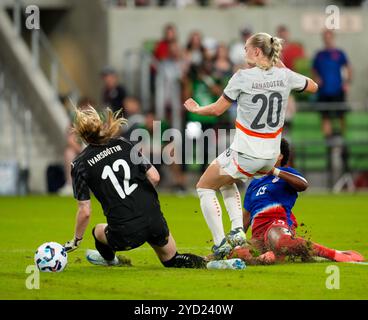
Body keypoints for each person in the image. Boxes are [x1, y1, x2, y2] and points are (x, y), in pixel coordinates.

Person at [184, 32, 318, 259]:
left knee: (205, 186)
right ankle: (237, 230)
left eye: (246, 48)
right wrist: (283, 67)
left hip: (247, 151)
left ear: (257, 51)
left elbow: (217, 110)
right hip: (271, 155)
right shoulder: (285, 76)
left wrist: (196, 109)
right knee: (225, 180)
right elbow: (313, 86)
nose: (244, 52)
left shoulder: (242, 77)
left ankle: (220, 244)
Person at [63, 106, 205, 269]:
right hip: (153, 219)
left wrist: (76, 239)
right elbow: (155, 177)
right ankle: (214, 263)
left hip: (125, 233)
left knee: (97, 231)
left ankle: (110, 260)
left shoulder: (79, 164)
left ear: (82, 136)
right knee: (173, 260)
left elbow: (85, 211)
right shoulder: (123, 144)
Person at [232, 138, 364, 264]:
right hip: (258, 235)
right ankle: (266, 258)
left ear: (280, 156)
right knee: (237, 253)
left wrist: (274, 171)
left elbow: (303, 185)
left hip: (277, 225)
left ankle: (335, 254)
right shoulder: (254, 183)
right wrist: (236, 240)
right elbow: (247, 216)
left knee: (279, 241)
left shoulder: (286, 173)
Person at [312, 29, 352, 138]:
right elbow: (314, 70)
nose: (327, 40)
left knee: (341, 115)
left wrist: (347, 83)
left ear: (333, 38)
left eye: (329, 37)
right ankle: (329, 142)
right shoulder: (319, 55)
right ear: (323, 39)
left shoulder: (339, 53)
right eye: (325, 37)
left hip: (338, 90)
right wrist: (317, 80)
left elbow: (348, 67)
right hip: (324, 91)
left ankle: (343, 140)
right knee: (325, 116)